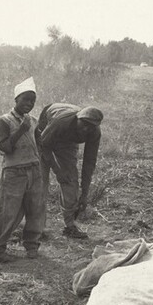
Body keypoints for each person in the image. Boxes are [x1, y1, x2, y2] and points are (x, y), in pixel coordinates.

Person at [0, 77, 46, 261]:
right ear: (16, 100)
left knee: (36, 209)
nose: (29, 104)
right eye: (25, 99)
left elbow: (39, 143)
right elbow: (5, 148)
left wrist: (39, 155)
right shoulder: (4, 121)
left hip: (34, 170)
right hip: (14, 172)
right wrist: (20, 130)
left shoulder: (33, 121)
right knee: (8, 211)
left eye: (32, 101)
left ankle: (32, 245)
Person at [36, 102, 103, 239]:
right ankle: (37, 228)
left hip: (67, 142)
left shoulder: (95, 133)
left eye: (90, 127)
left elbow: (89, 163)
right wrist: (58, 171)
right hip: (46, 136)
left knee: (71, 180)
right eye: (83, 124)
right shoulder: (62, 121)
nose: (85, 129)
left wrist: (84, 194)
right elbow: (44, 146)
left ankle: (70, 226)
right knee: (41, 183)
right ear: (78, 117)